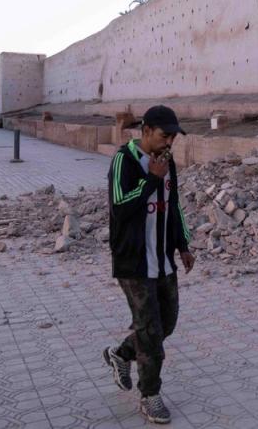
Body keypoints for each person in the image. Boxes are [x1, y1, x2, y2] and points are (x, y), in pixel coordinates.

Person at [102, 105, 195, 424]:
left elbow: (174, 207)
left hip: (163, 261)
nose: (169, 142)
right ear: (145, 131)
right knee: (151, 332)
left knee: (166, 323)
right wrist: (151, 181)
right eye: (164, 135)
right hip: (134, 263)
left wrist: (183, 244)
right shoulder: (123, 161)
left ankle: (121, 353)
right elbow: (120, 207)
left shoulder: (166, 162)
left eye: (173, 137)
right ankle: (150, 395)